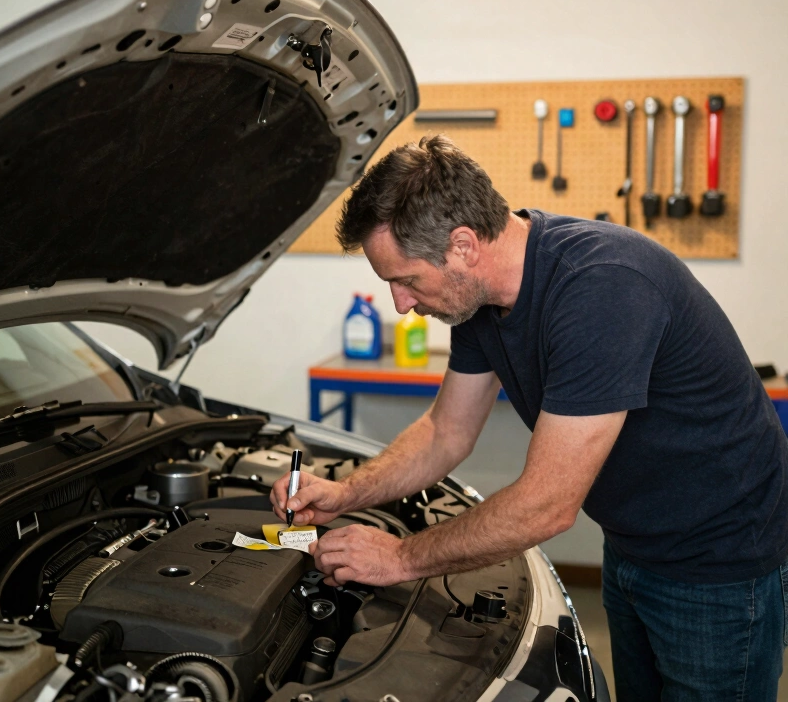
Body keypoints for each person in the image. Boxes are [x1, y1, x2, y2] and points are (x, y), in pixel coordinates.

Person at [270, 135, 788, 701]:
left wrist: (399, 557)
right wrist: (346, 494)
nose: (400, 303)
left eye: (407, 279)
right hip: (635, 543)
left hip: (720, 562)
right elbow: (445, 433)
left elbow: (547, 504)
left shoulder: (602, 288)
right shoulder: (480, 303)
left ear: (463, 244)